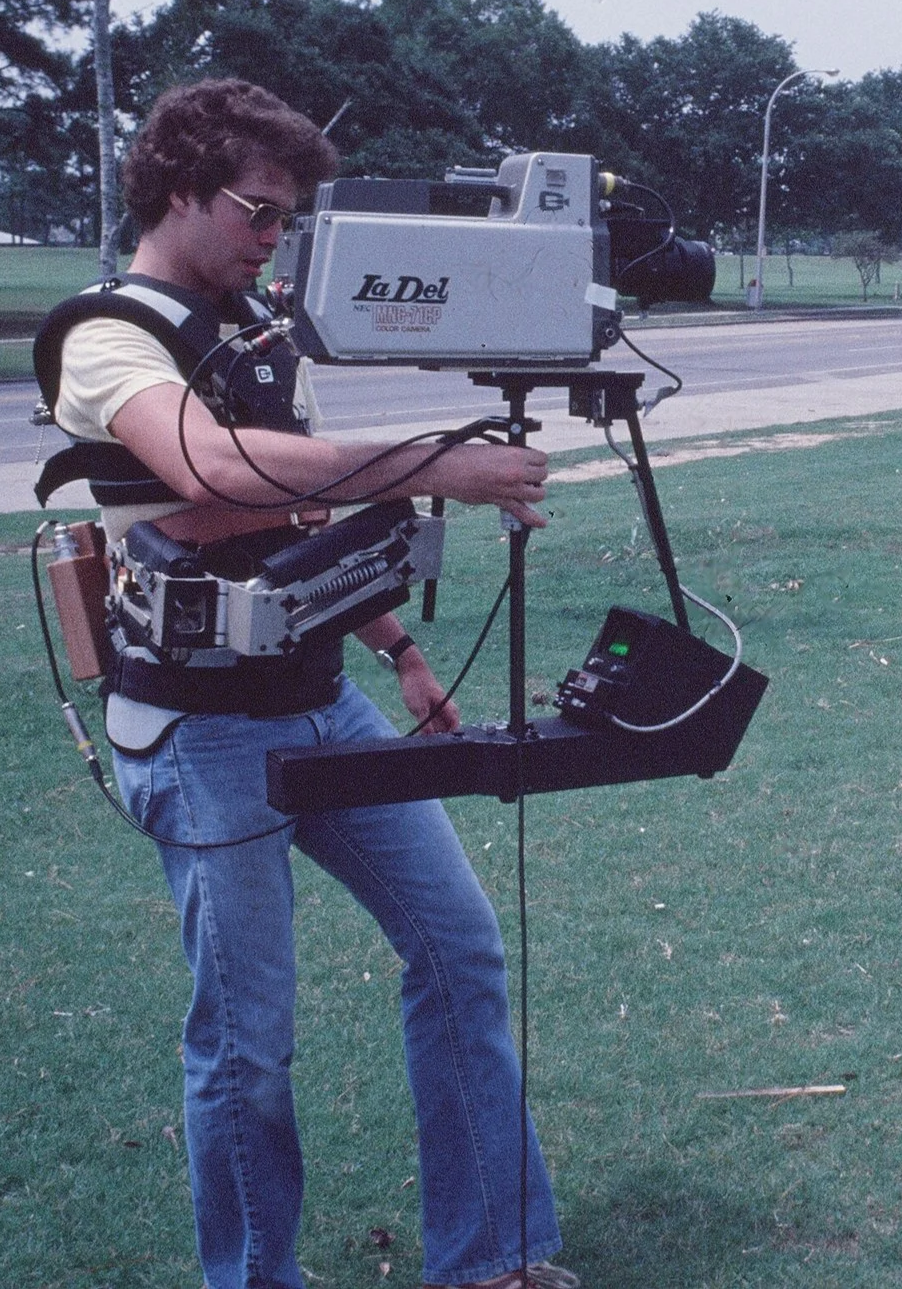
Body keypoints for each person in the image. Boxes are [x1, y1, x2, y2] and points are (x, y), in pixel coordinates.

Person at [36, 78, 576, 1289]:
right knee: (247, 1042)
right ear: (179, 189)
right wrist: (440, 462)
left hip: (321, 695)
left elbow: (301, 519)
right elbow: (212, 465)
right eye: (258, 212)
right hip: (199, 730)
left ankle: (489, 1257)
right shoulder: (104, 335)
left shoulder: (256, 334)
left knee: (460, 952)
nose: (274, 241)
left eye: (287, 220)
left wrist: (404, 650)